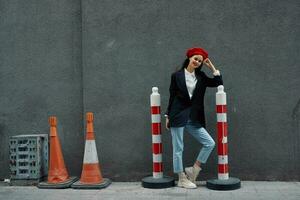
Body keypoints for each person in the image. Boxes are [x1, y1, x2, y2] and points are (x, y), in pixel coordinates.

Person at [165, 47, 223, 189]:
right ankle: (181, 178)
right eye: (195, 59)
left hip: (193, 117)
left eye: (200, 61)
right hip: (177, 115)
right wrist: (167, 115)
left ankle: (194, 169)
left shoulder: (201, 77)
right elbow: (172, 96)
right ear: (190, 58)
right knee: (178, 148)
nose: (197, 62)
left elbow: (218, 83)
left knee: (209, 143)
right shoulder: (176, 76)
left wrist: (212, 67)